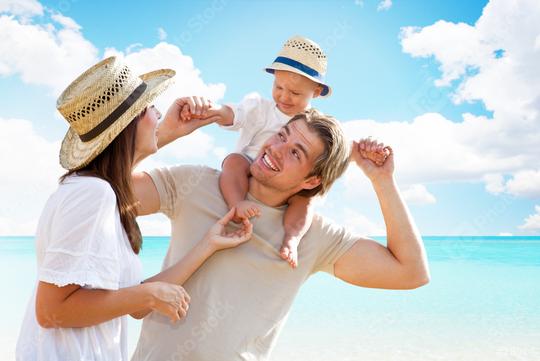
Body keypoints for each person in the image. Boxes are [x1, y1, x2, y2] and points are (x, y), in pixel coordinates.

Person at [131, 107, 429, 361]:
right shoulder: (195, 183)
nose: (275, 149)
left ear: (312, 180)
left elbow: (411, 273)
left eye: (295, 153)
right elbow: (105, 193)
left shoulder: (313, 236)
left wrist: (381, 180)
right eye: (282, 135)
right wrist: (167, 132)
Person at [15, 57, 252, 361]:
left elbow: (136, 306)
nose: (158, 113)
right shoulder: (92, 193)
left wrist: (209, 244)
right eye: (152, 107)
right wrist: (148, 294)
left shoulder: (98, 192)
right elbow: (51, 311)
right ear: (129, 124)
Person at [179, 35, 388, 268]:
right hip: (249, 164)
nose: (284, 96)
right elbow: (234, 114)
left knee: (307, 200)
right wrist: (214, 111)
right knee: (234, 161)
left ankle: (291, 239)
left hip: (289, 185)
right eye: (278, 87)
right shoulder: (260, 107)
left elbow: (345, 150)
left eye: (295, 93)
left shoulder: (316, 127)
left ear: (316, 91)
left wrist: (371, 150)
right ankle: (236, 203)